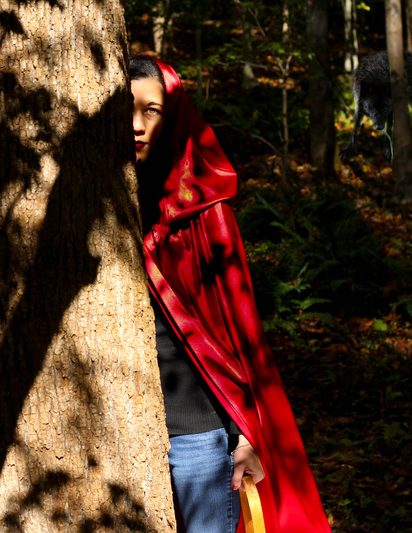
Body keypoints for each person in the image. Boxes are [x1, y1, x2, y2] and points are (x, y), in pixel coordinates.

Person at [130, 55, 332, 533]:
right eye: (125, 109)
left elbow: (237, 331)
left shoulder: (201, 210)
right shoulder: (88, 202)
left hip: (196, 435)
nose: (136, 125)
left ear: (173, 115)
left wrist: (245, 433)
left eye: (151, 110)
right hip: (113, 432)